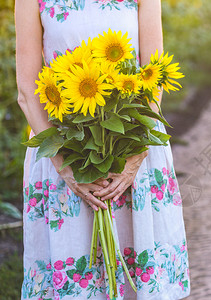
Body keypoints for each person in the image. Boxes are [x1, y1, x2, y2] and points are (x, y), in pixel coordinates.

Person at [15, 0, 190, 299]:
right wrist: (66, 167)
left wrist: (135, 157)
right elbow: (27, 92)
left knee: (137, 274)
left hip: (132, 143)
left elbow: (153, 77)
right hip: (63, 146)